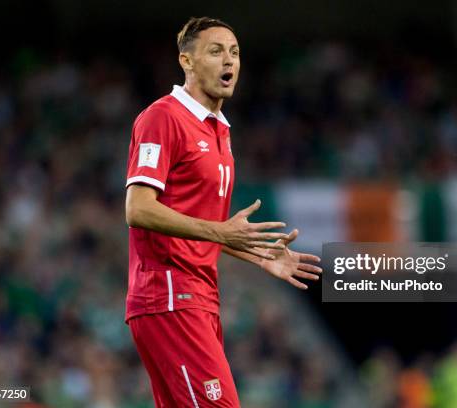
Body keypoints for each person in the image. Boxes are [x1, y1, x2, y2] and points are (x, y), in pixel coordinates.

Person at [124, 16, 322, 407]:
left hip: (200, 297)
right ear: (188, 62)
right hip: (169, 296)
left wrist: (257, 252)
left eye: (234, 52)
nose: (228, 60)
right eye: (215, 51)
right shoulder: (163, 117)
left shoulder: (220, 131)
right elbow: (138, 209)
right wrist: (221, 235)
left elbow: (208, 225)